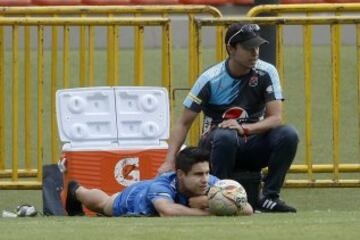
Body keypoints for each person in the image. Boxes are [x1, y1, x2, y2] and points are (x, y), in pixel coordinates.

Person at [158, 23, 299, 213]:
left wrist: (245, 129)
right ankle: (214, 196)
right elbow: (183, 123)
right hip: (216, 145)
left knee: (288, 134)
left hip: (250, 142)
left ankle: (269, 197)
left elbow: (276, 118)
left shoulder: (267, 72)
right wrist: (169, 161)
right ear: (231, 48)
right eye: (248, 48)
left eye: (257, 47)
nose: (255, 53)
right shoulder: (210, 79)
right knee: (226, 136)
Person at [65, 146, 253, 217]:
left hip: (161, 198)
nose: (205, 179)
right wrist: (212, 212)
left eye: (206, 173)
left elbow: (246, 208)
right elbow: (167, 211)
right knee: (104, 204)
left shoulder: (211, 183)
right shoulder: (161, 185)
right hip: (136, 197)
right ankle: (76, 191)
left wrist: (210, 202)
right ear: (180, 174)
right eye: (198, 175)